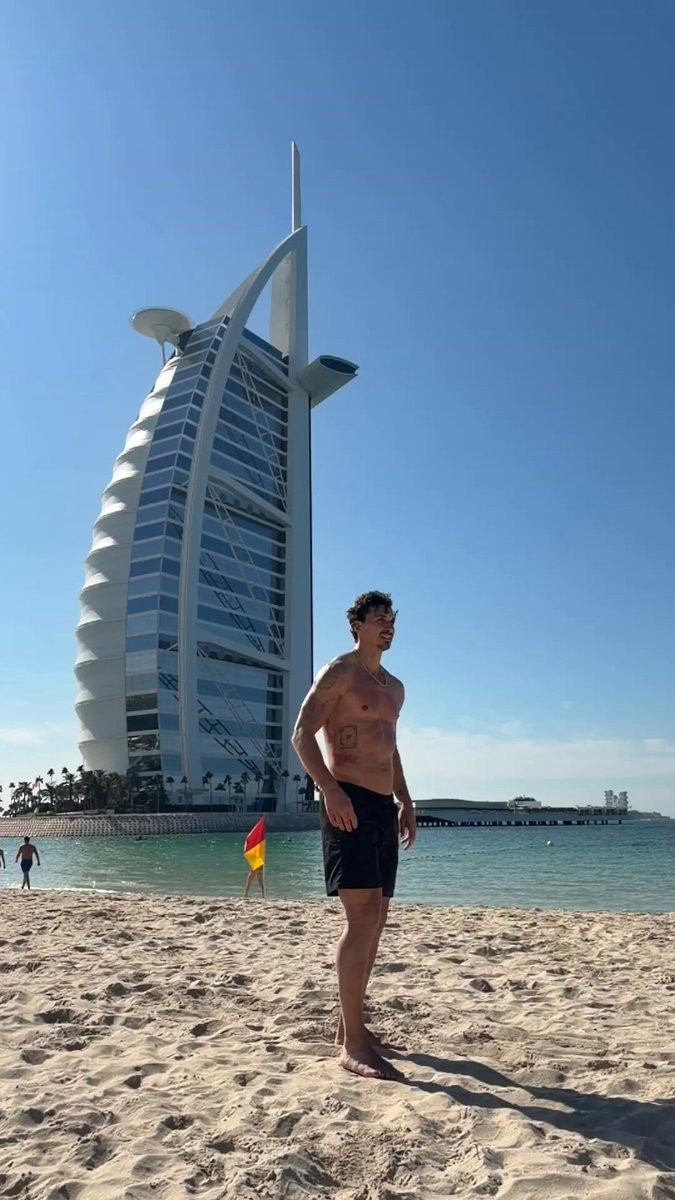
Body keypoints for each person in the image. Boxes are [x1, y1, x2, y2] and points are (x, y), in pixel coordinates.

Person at [292, 590, 416, 1081]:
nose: (388, 625)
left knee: (377, 919)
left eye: (392, 618)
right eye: (379, 618)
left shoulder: (394, 687)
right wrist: (329, 790)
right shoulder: (339, 672)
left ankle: (351, 1028)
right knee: (360, 918)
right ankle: (353, 1045)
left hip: (383, 807)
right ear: (357, 625)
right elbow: (302, 734)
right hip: (347, 803)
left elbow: (390, 747)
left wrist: (406, 801)